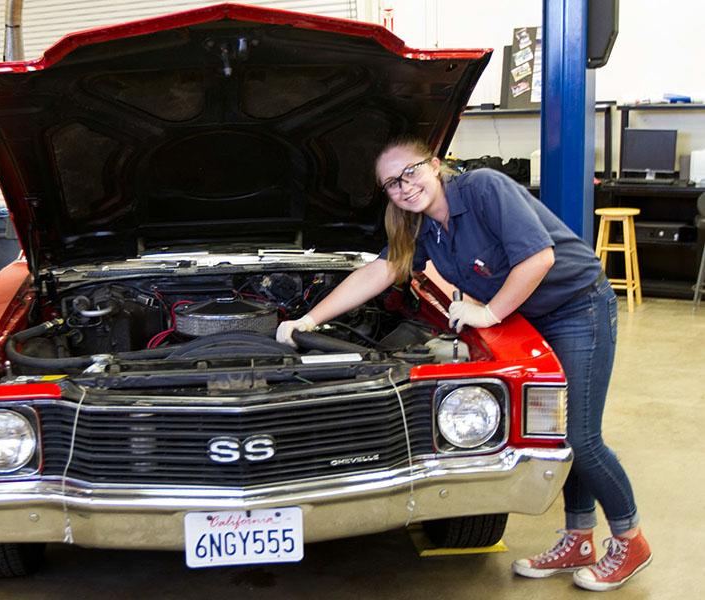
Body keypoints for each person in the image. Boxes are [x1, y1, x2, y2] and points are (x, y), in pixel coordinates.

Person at [276, 135, 651, 592]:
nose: (404, 186)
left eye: (410, 171)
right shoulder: (419, 228)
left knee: (580, 435)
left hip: (577, 307)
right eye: (392, 183)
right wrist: (309, 318)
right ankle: (579, 538)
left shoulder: (484, 189)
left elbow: (539, 257)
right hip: (529, 315)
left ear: (435, 164)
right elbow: (380, 271)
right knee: (558, 433)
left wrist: (488, 313)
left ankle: (630, 540)